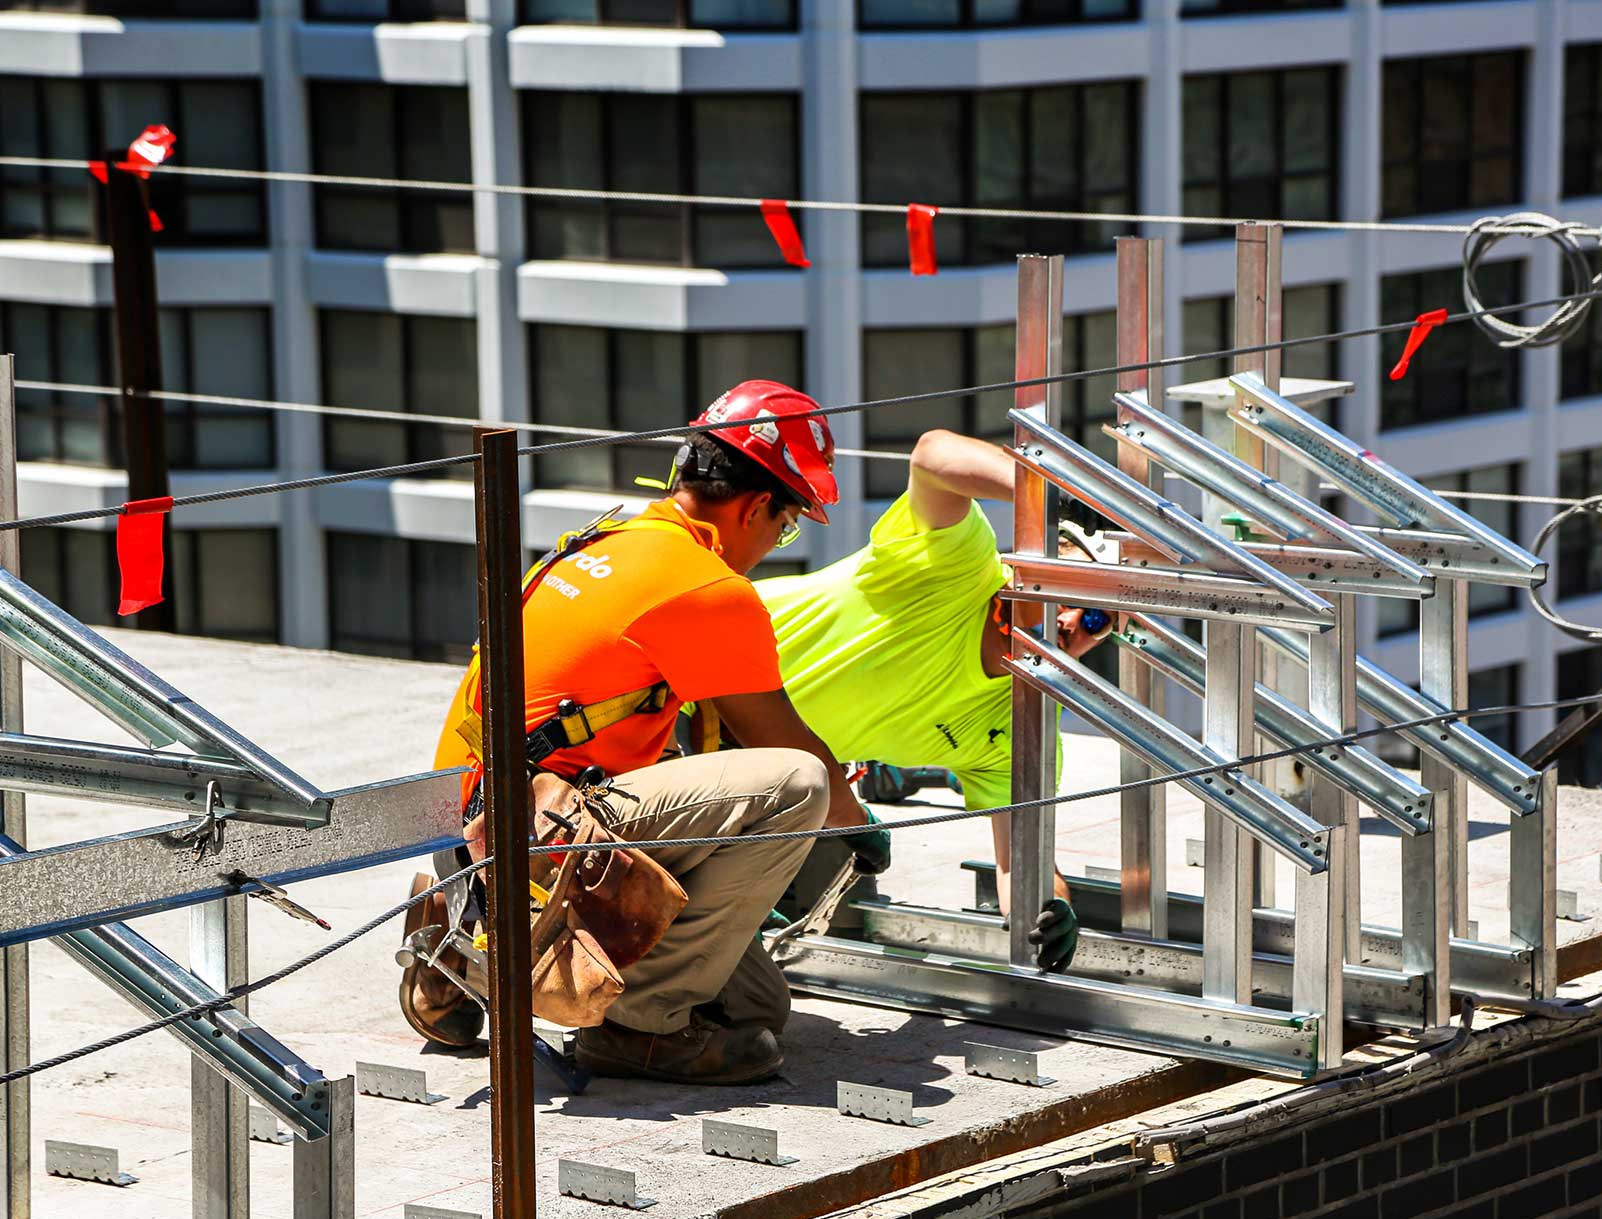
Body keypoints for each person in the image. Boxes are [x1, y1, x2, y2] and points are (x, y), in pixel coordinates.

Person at [408, 380, 889, 1085]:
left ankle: (454, 934)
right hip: (538, 835)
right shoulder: (705, 589)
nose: (774, 542)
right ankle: (641, 1026)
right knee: (800, 786)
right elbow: (790, 753)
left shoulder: (605, 540)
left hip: (470, 823)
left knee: (759, 1004)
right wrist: (858, 825)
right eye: (784, 525)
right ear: (757, 507)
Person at [754, 428, 1114, 972]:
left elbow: (1022, 857)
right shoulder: (958, 566)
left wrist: (1052, 904)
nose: (1070, 622)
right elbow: (931, 455)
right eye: (1068, 592)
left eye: (1094, 620)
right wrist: (1050, 491)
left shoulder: (1027, 724)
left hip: (754, 761)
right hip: (678, 684)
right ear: (1023, 572)